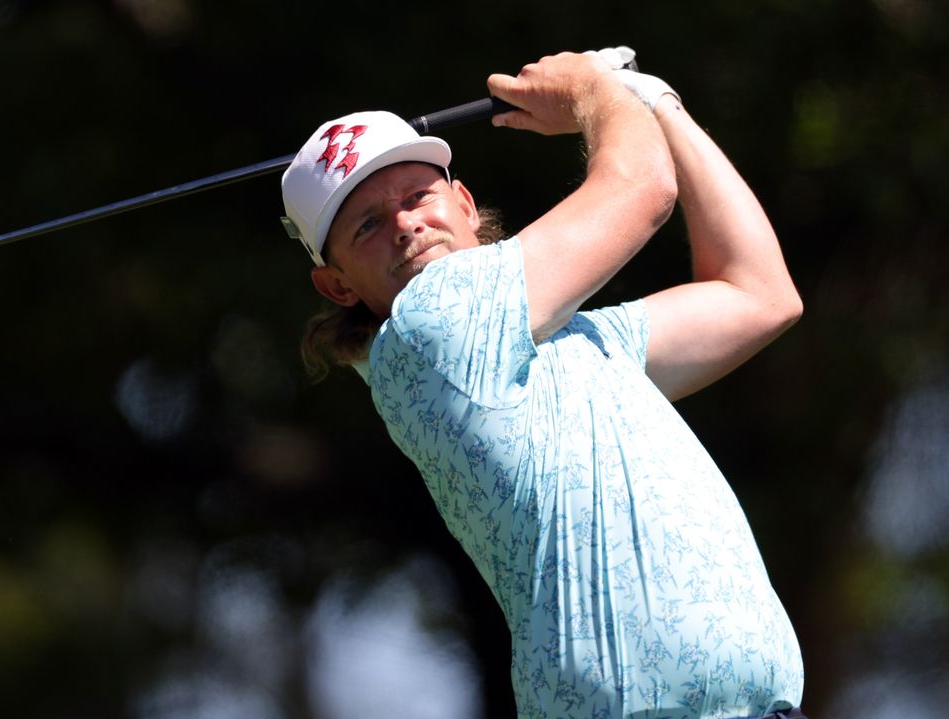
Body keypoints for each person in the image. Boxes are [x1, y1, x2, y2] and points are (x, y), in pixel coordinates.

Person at [279, 48, 807, 719]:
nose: (406, 223)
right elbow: (644, 187)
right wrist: (597, 94)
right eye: (367, 225)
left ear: (464, 204)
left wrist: (658, 104)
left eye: (418, 196)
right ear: (338, 284)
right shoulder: (428, 329)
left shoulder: (582, 345)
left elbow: (758, 292)